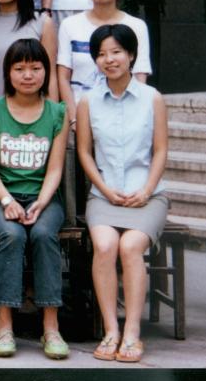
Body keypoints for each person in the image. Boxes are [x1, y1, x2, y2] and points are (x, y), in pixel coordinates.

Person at [76, 23, 168, 364]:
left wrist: (146, 190)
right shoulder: (88, 101)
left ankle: (132, 332)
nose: (109, 59)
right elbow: (84, 152)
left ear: (131, 55)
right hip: (104, 195)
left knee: (130, 247)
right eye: (101, 54)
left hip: (148, 195)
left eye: (116, 52)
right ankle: (110, 330)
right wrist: (103, 189)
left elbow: (160, 150)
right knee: (104, 246)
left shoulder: (152, 98)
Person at [0, 38, 70, 360]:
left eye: (35, 68)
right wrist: (7, 201)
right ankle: (4, 325)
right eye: (19, 68)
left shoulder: (57, 112)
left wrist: (41, 203)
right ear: (8, 72)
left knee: (43, 234)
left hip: (43, 197)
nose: (28, 75)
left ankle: (51, 327)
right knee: (12, 234)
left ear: (46, 71)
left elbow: (55, 168)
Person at [57, 0, 151, 127]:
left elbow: (139, 76)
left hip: (122, 120)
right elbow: (63, 77)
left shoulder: (136, 26)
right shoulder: (69, 25)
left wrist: (131, 117)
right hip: (80, 118)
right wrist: (74, 119)